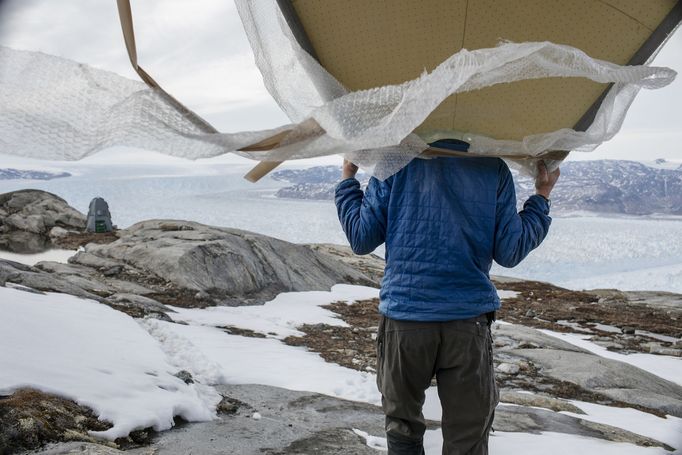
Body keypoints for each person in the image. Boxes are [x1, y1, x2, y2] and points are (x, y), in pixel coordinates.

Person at [334, 155, 560, 455]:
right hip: (466, 324)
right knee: (467, 436)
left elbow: (361, 238)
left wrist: (348, 178)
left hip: (404, 319)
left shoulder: (395, 162)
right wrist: (541, 196)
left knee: (403, 429)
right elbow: (510, 249)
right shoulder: (493, 168)